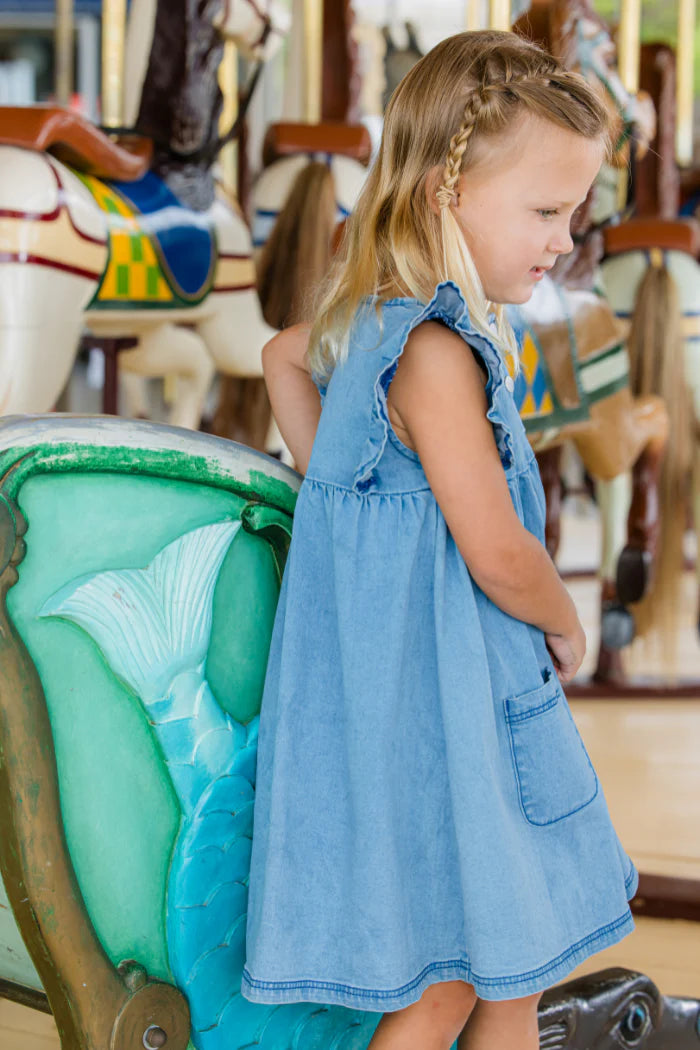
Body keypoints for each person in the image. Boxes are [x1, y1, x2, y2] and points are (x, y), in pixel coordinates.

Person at [241, 29, 639, 1050]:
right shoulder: (432, 349)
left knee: (491, 969)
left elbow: (283, 354)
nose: (563, 240)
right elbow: (494, 544)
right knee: (472, 974)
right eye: (545, 212)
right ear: (443, 193)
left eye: (574, 214)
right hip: (455, 702)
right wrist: (562, 616)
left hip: (406, 692)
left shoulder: (373, 321)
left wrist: (340, 491)